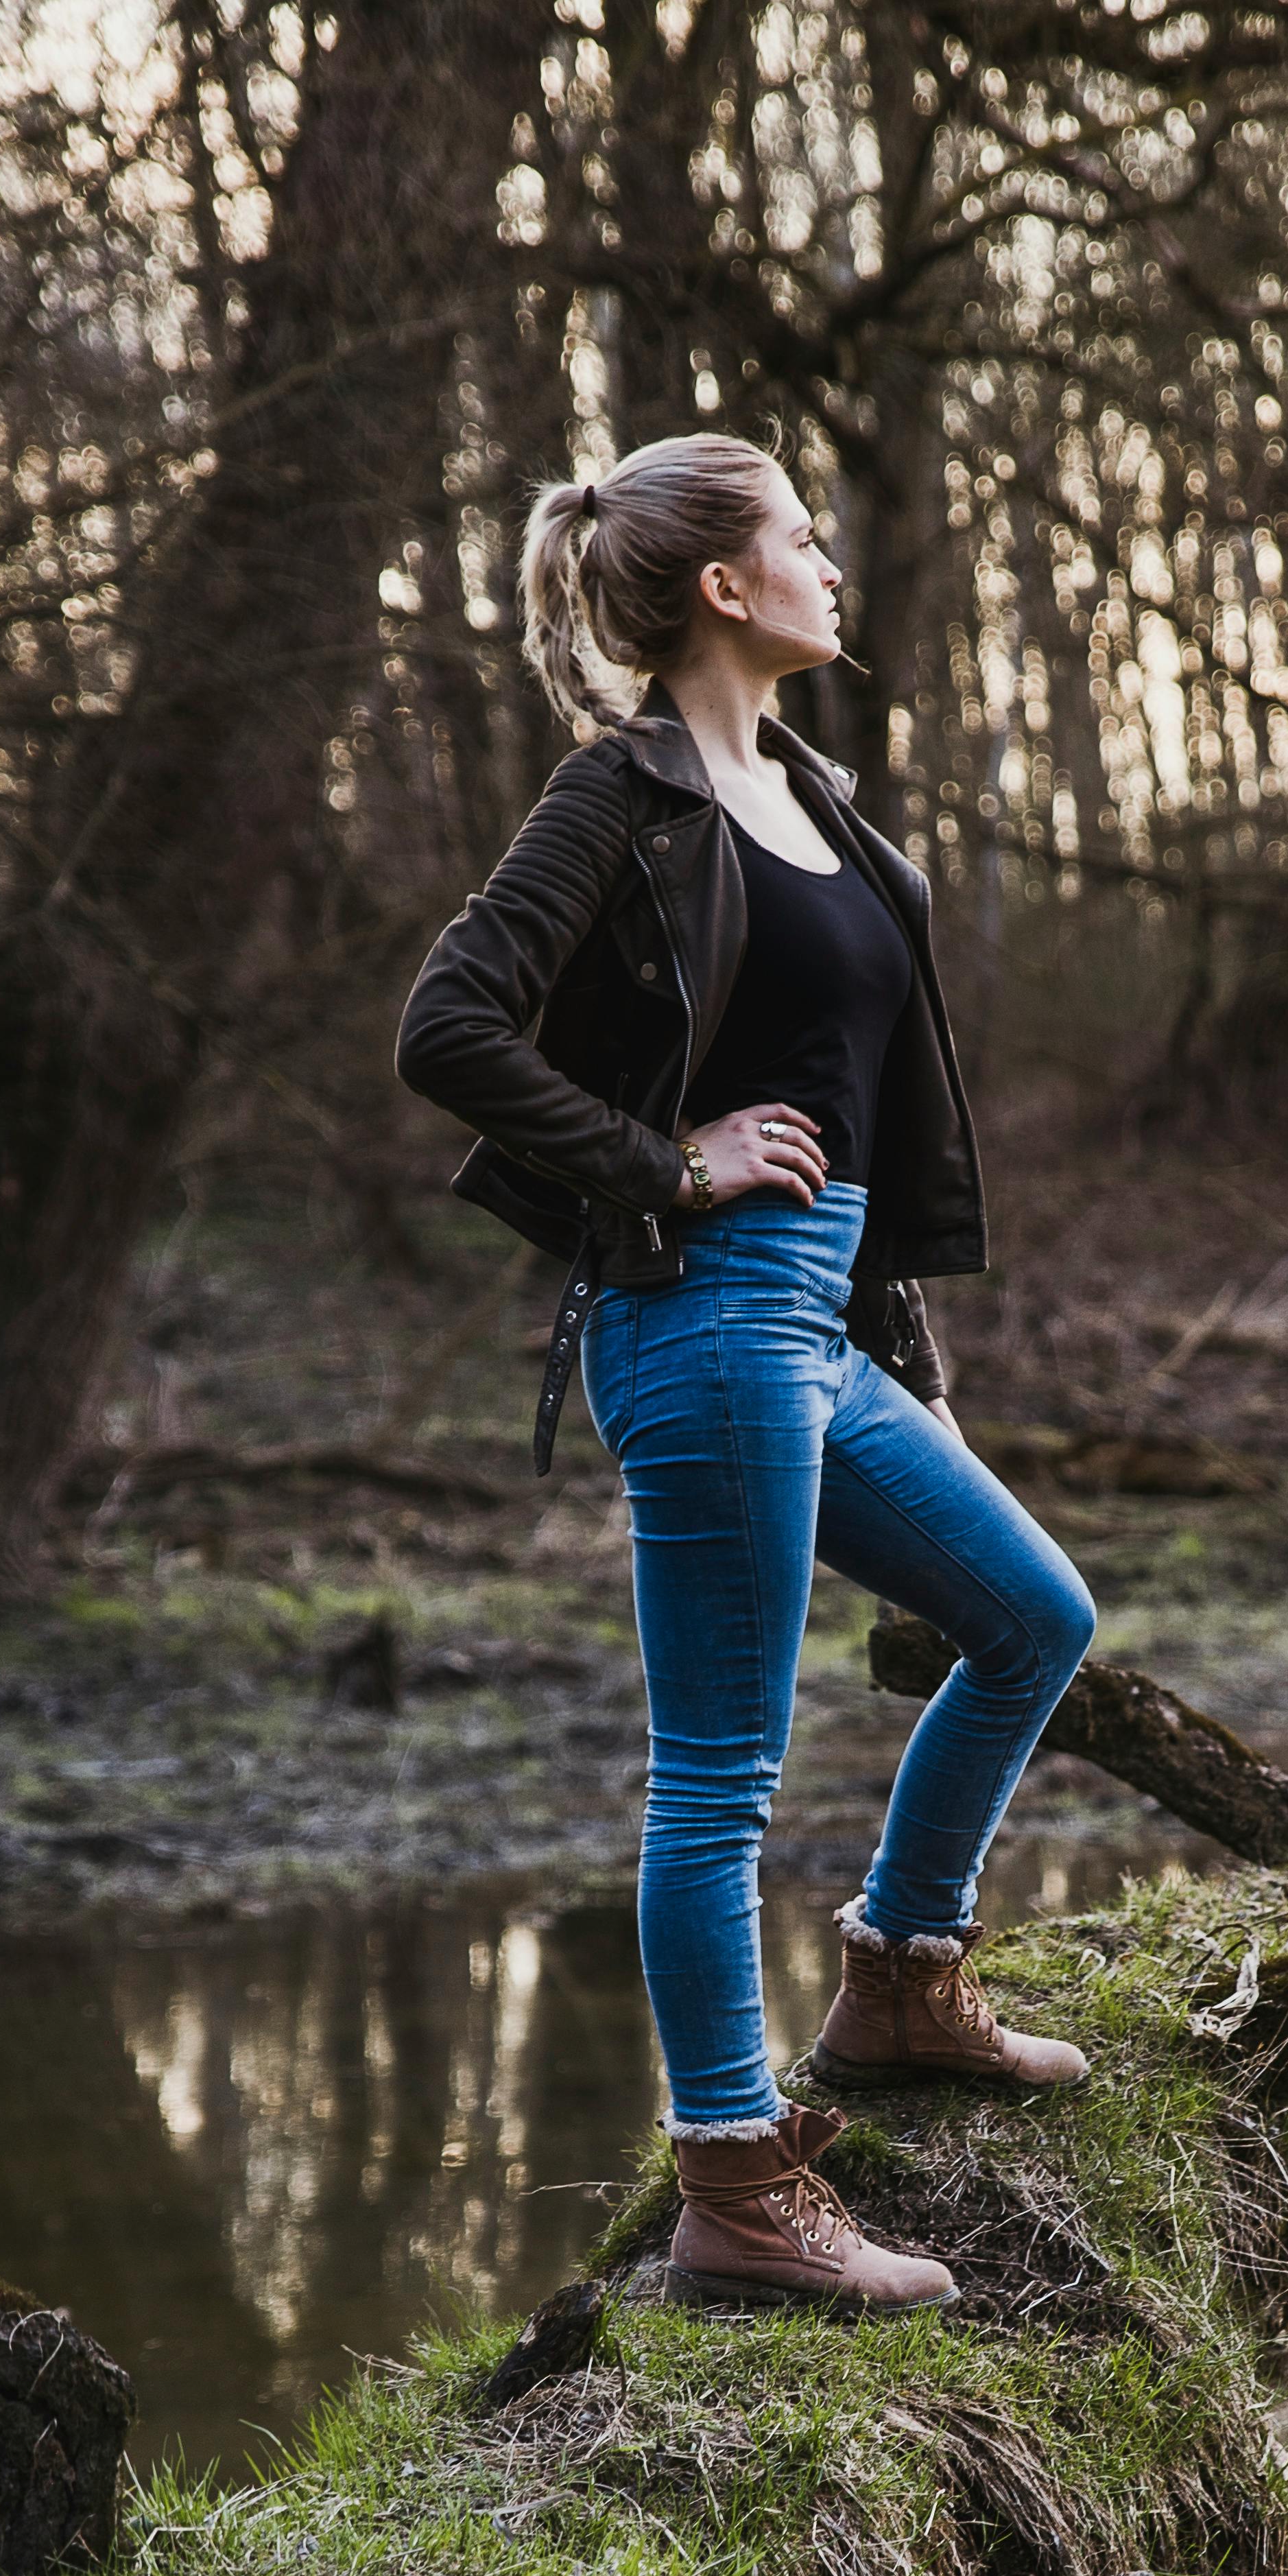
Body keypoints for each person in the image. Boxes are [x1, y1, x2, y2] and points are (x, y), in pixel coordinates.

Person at [396, 434, 1095, 2315]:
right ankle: (735, 2183)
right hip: (698, 1319)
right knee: (718, 1773)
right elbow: (447, 1028)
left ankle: (896, 1985)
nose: (828, 563)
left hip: (823, 1323)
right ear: (722, 584)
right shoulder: (615, 802)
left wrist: (914, 1365)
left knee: (1034, 1616)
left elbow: (871, 1122)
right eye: (799, 535)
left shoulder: (827, 807)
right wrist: (662, 1162)